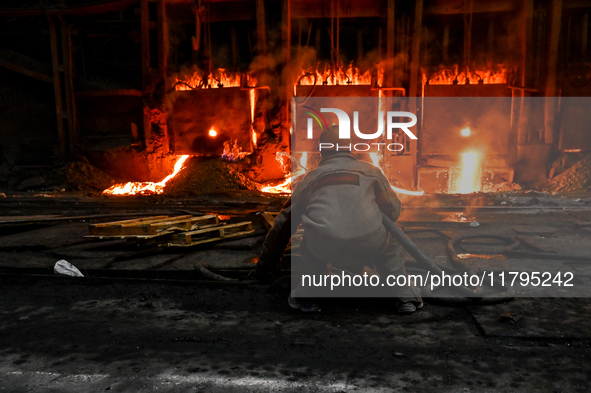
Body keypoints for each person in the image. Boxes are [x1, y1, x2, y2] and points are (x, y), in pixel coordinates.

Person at [255, 126, 422, 314]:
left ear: (321, 150)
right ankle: (404, 298)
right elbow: (392, 211)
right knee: (389, 243)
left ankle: (306, 297)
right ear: (350, 148)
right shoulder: (371, 171)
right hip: (370, 245)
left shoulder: (310, 178)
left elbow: (283, 226)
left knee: (309, 242)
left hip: (325, 248)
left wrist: (265, 269)